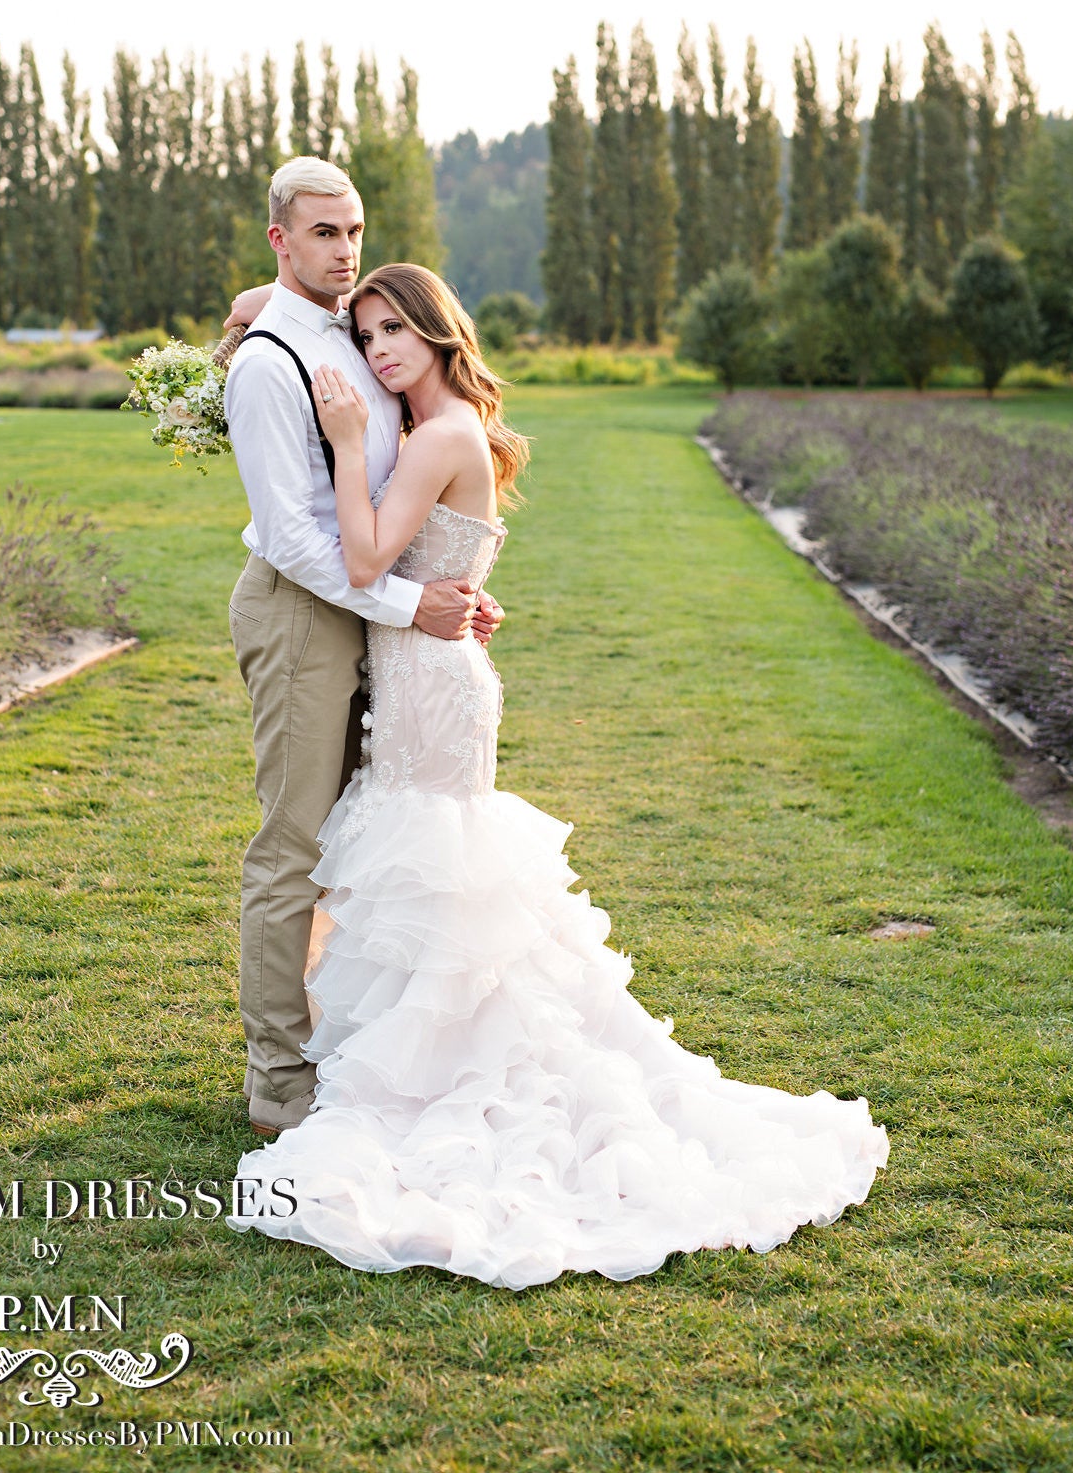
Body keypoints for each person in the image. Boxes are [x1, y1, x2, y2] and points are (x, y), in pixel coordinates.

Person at [228, 262, 890, 1289]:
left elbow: (363, 562)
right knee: (424, 874)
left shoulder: (436, 434)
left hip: (429, 683)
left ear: (441, 333)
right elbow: (425, 564)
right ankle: (420, 1053)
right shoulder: (446, 427)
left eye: (396, 328)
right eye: (365, 334)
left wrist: (352, 440)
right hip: (430, 667)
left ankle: (449, 1070)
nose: (379, 350)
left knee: (435, 868)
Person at [223, 159, 504, 1142]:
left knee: (357, 840)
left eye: (352, 230)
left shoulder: (343, 328)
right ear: (281, 237)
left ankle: (344, 1039)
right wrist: (407, 602)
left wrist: (445, 585)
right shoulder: (269, 365)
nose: (344, 250)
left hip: (376, 615)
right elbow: (298, 540)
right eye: (323, 233)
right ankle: (277, 1078)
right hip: (306, 609)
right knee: (295, 845)